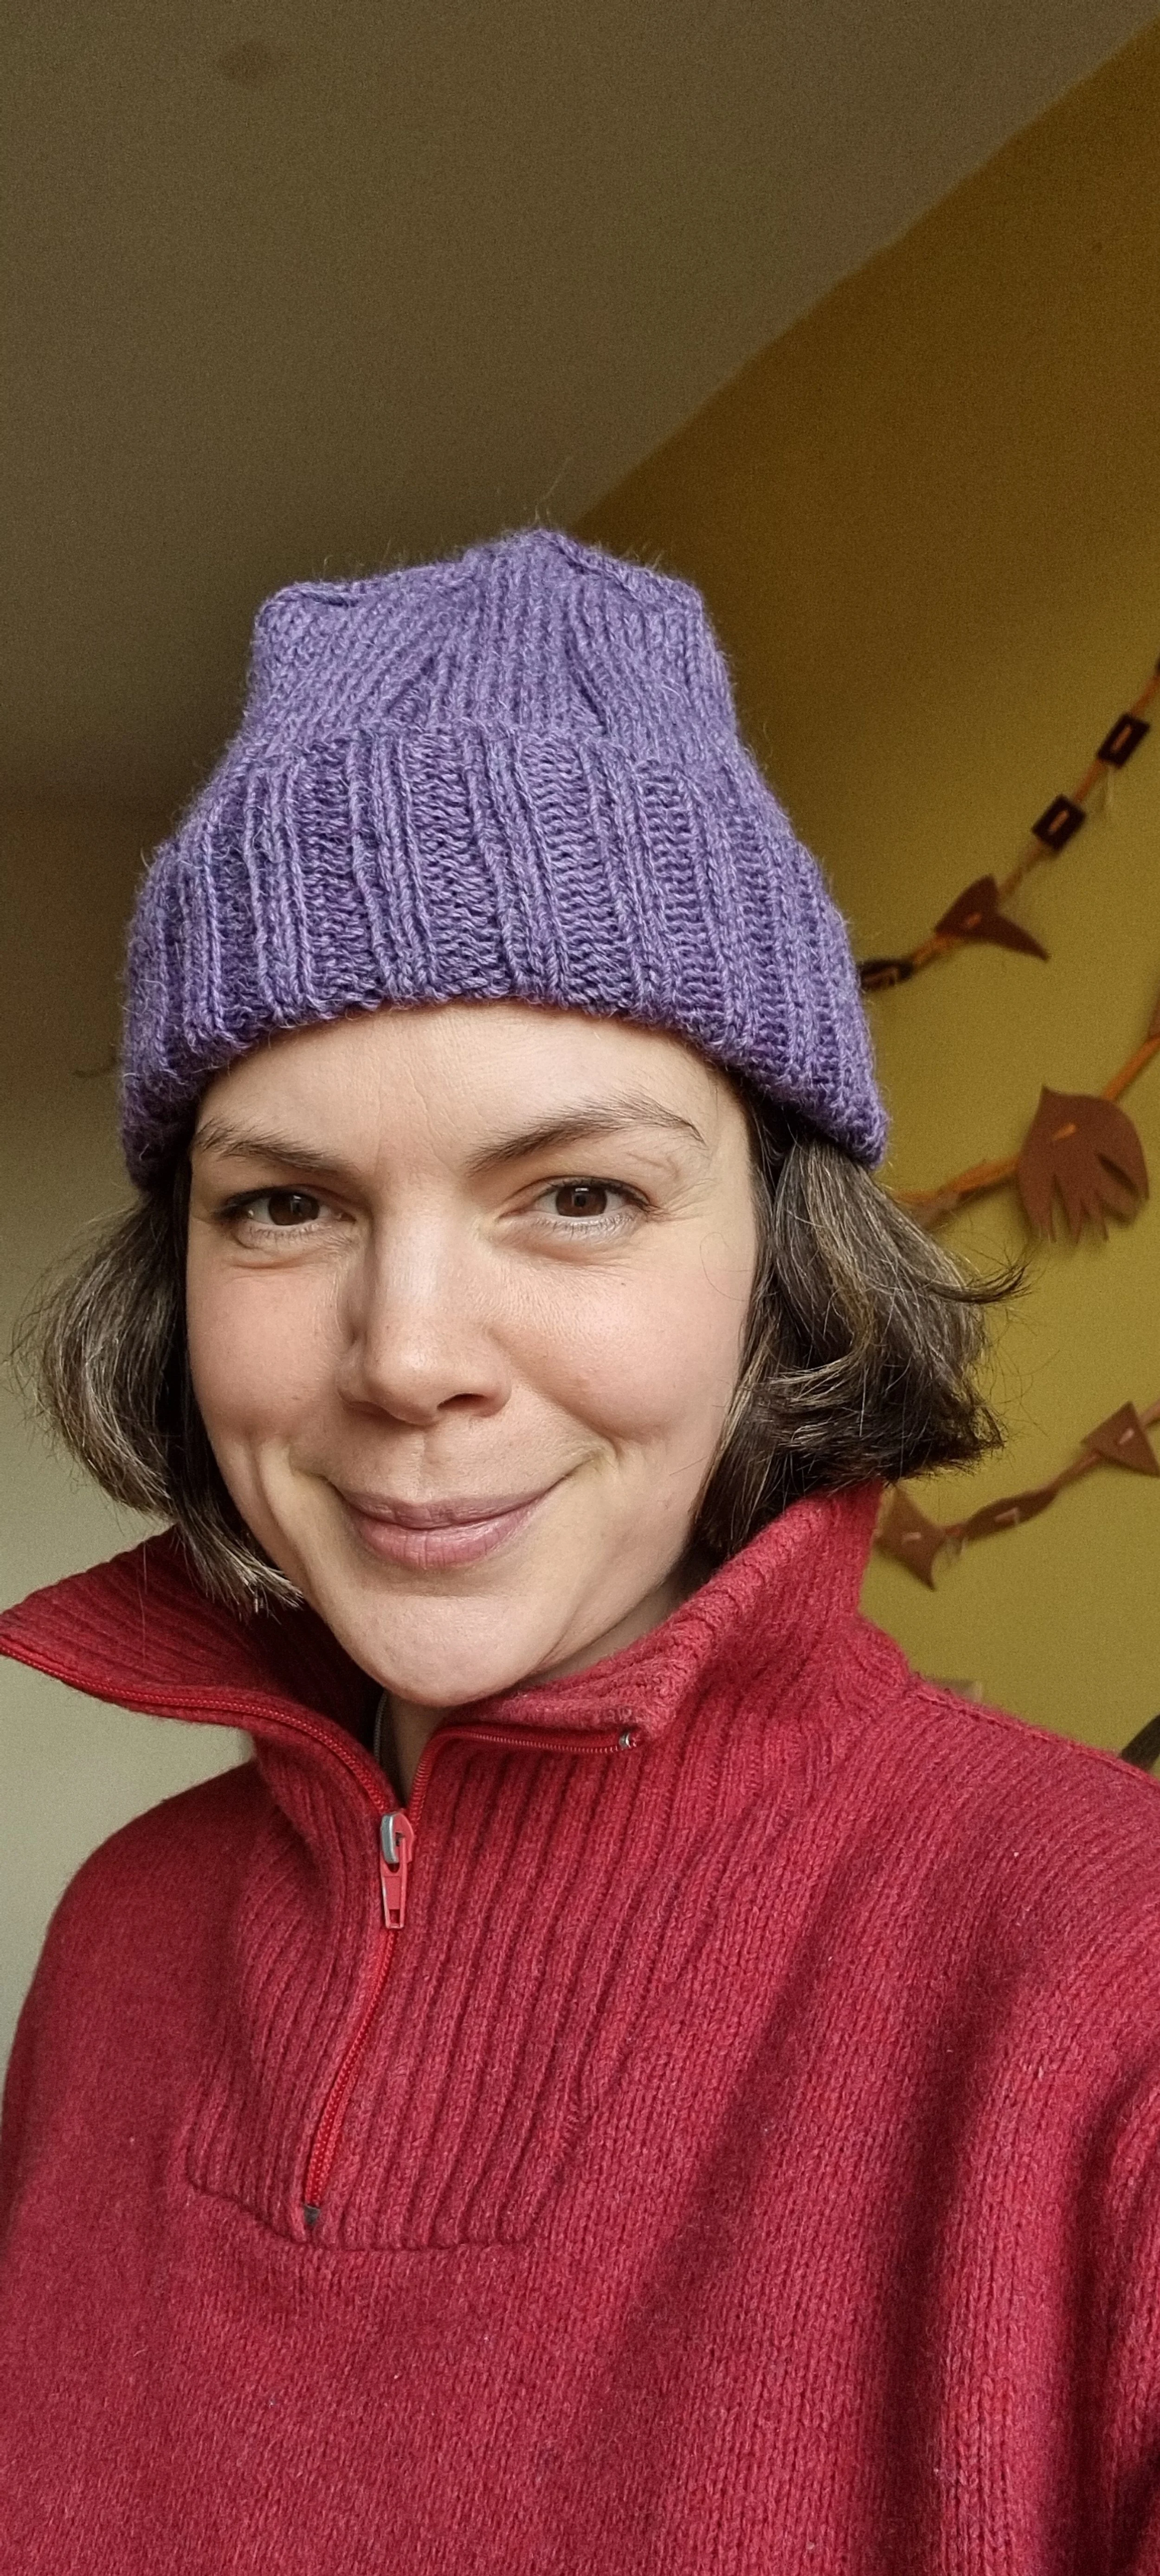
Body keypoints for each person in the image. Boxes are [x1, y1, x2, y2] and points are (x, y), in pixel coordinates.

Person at [1, 530, 1158, 2576]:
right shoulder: (113, 1945)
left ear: (782, 1265)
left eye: (579, 1195)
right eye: (286, 1206)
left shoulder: (1104, 1979)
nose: (411, 1354)